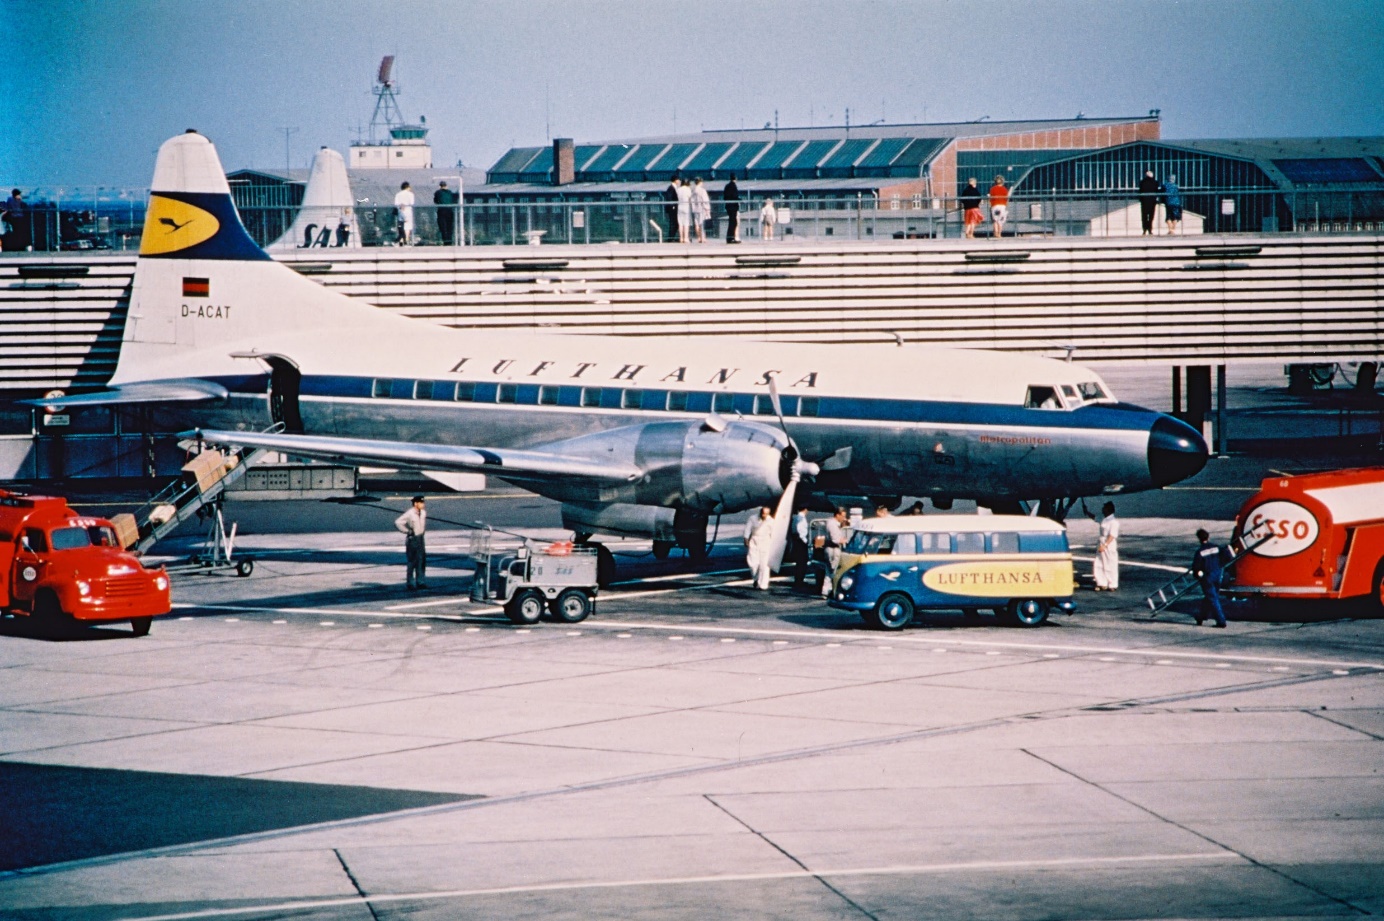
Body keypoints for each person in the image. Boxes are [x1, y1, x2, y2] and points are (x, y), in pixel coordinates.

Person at [1191, 528, 1227, 627]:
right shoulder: (1216, 547)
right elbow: (1226, 555)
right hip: (1218, 575)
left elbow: (1196, 567)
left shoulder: (1200, 552)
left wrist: (1197, 575)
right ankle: (1201, 616)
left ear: (1199, 539)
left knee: (1213, 599)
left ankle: (1221, 621)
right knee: (1210, 598)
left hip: (1208, 578)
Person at [394, 494, 428, 590]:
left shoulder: (423, 513)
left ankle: (420, 581)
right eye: (421, 502)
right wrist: (407, 531)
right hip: (413, 539)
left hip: (421, 538)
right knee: (412, 561)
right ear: (415, 503)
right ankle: (410, 583)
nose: (423, 504)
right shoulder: (410, 513)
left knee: (421, 561)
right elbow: (398, 522)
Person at [1086, 501, 1120, 591]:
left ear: (1108, 509)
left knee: (1110, 564)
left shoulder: (1113, 522)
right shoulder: (1104, 519)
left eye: (1104, 508)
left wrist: (1105, 545)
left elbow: (1112, 535)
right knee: (1099, 563)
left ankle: (1112, 584)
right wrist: (1087, 512)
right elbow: (1095, 518)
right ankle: (1102, 583)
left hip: (1108, 544)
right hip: (1101, 542)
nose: (1102, 509)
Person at [819, 507, 849, 597]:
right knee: (834, 570)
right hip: (833, 549)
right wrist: (844, 540)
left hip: (831, 548)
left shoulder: (833, 523)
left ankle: (826, 591)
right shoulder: (832, 524)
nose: (844, 518)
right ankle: (831, 590)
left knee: (829, 570)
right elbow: (835, 539)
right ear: (837, 515)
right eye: (842, 516)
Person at [743, 506, 774, 590]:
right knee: (753, 563)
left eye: (767, 514)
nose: (765, 516)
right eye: (764, 514)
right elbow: (747, 529)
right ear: (760, 512)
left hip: (766, 542)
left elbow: (773, 533)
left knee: (764, 565)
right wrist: (746, 539)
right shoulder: (752, 518)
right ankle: (756, 578)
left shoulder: (771, 521)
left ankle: (763, 584)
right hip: (754, 540)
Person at [789, 504, 810, 589]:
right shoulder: (801, 518)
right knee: (802, 562)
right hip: (801, 542)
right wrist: (805, 541)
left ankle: (798, 580)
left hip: (797, 541)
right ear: (805, 509)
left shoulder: (796, 517)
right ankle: (799, 581)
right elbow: (800, 531)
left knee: (800, 562)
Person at [1137, 170, 1163, 235]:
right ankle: (1150, 229)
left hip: (1144, 201)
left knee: (1144, 216)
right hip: (1152, 201)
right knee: (1151, 216)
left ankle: (1144, 229)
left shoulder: (1142, 182)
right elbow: (1157, 191)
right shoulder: (1155, 182)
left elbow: (1140, 191)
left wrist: (1140, 199)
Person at [433, 181, 459, 246]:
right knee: (449, 226)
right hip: (450, 210)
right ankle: (450, 241)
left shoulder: (438, 192)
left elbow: (435, 201)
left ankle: (445, 241)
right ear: (446, 185)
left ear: (440, 186)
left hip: (441, 210)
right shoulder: (450, 192)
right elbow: (453, 200)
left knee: (443, 226)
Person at [691, 178, 711, 243]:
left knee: (696, 223)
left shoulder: (693, 190)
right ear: (700, 182)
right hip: (701, 208)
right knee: (701, 223)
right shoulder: (702, 190)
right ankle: (703, 237)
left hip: (695, 209)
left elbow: (691, 200)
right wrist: (707, 208)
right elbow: (705, 200)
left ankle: (699, 237)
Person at [723, 177, 741, 243]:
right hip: (733, 207)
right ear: (735, 179)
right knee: (733, 222)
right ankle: (731, 238)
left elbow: (725, 196)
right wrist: (739, 199)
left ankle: (730, 238)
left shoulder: (727, 186)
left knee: (732, 222)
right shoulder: (733, 186)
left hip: (728, 206)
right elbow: (734, 196)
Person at [675, 177, 692, 244]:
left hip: (680, 206)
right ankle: (686, 238)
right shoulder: (688, 189)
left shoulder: (678, 189)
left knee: (680, 223)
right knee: (686, 223)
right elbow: (690, 198)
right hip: (686, 206)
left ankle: (681, 238)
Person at [663, 178, 680, 243]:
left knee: (675, 223)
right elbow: (669, 198)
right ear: (675, 180)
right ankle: (670, 238)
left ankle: (672, 237)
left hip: (674, 207)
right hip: (672, 208)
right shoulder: (671, 188)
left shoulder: (674, 187)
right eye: (678, 180)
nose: (679, 181)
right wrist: (672, 206)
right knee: (673, 223)